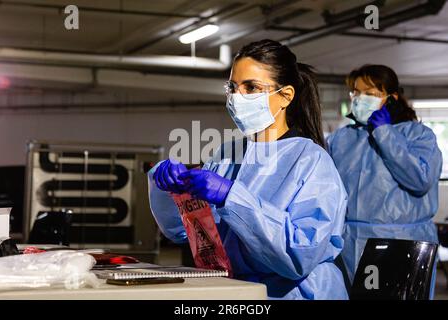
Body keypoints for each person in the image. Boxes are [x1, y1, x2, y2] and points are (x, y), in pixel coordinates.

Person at [148, 39, 348, 300]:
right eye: (232, 87)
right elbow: (184, 233)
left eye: (251, 87)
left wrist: (232, 198)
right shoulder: (226, 155)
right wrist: (168, 191)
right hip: (235, 292)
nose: (236, 97)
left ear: (286, 96)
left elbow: (299, 255)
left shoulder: (311, 161)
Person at [327, 65, 443, 290]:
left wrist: (384, 134)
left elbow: (420, 180)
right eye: (356, 93)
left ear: (392, 98)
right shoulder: (340, 139)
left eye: (370, 94)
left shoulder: (417, 135)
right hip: (348, 243)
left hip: (402, 243)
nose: (360, 99)